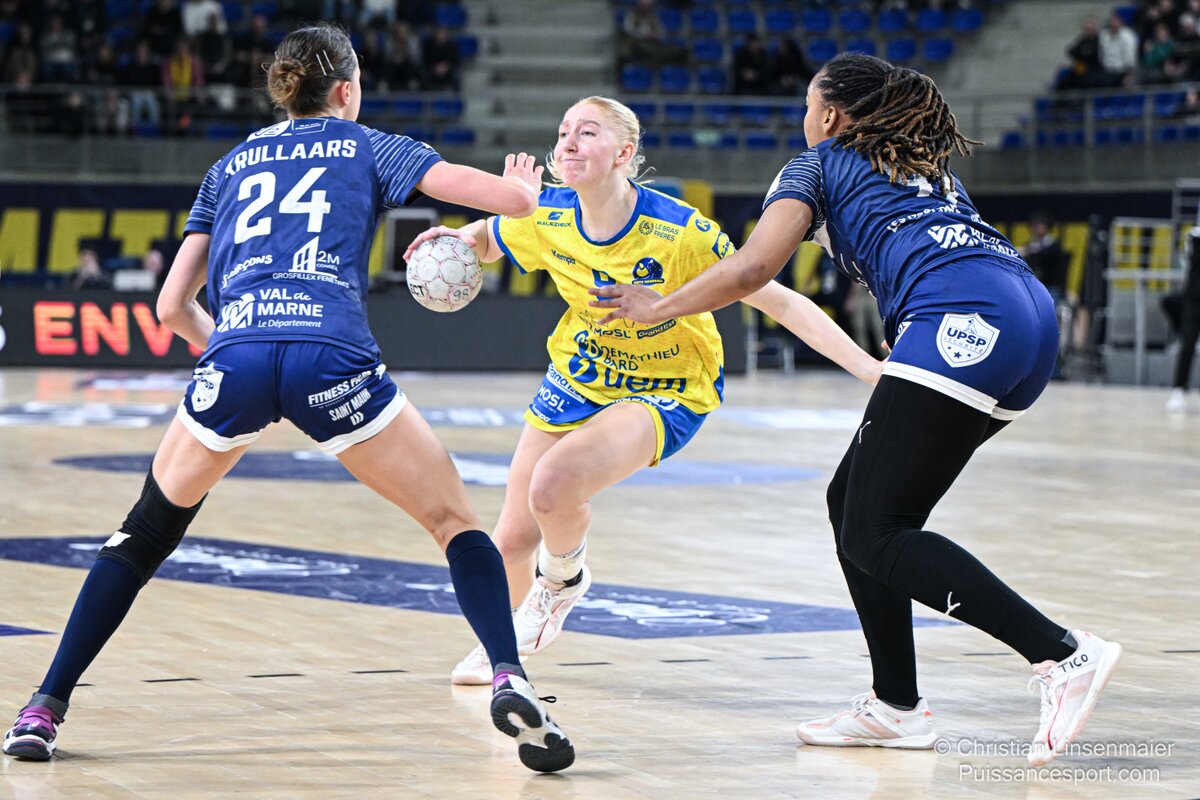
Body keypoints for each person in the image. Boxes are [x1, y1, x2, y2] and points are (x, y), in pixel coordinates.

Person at [2, 23, 574, 775]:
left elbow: (171, 306)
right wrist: (524, 189)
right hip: (330, 353)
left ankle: (42, 708)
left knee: (141, 535)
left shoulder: (229, 165)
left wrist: (239, 357)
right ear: (347, 90)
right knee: (453, 523)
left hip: (236, 352)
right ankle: (507, 674)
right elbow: (506, 201)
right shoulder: (370, 145)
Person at [590, 53, 1121, 766]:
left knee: (876, 529)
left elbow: (754, 267)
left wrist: (659, 307)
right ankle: (895, 706)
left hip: (966, 319)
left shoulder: (815, 164)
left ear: (832, 116)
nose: (805, 120)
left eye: (809, 107)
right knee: (855, 506)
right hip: (1026, 319)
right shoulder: (925, 164)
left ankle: (1062, 654)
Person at [402, 95, 882, 686]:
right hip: (580, 373)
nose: (568, 142)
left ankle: (562, 581)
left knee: (553, 487)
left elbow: (779, 301)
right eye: (564, 131)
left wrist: (867, 368)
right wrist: (453, 242)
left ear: (623, 153)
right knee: (512, 538)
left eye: (587, 132)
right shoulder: (546, 213)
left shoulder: (680, 232)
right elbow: (486, 237)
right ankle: (505, 657)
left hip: (668, 385)